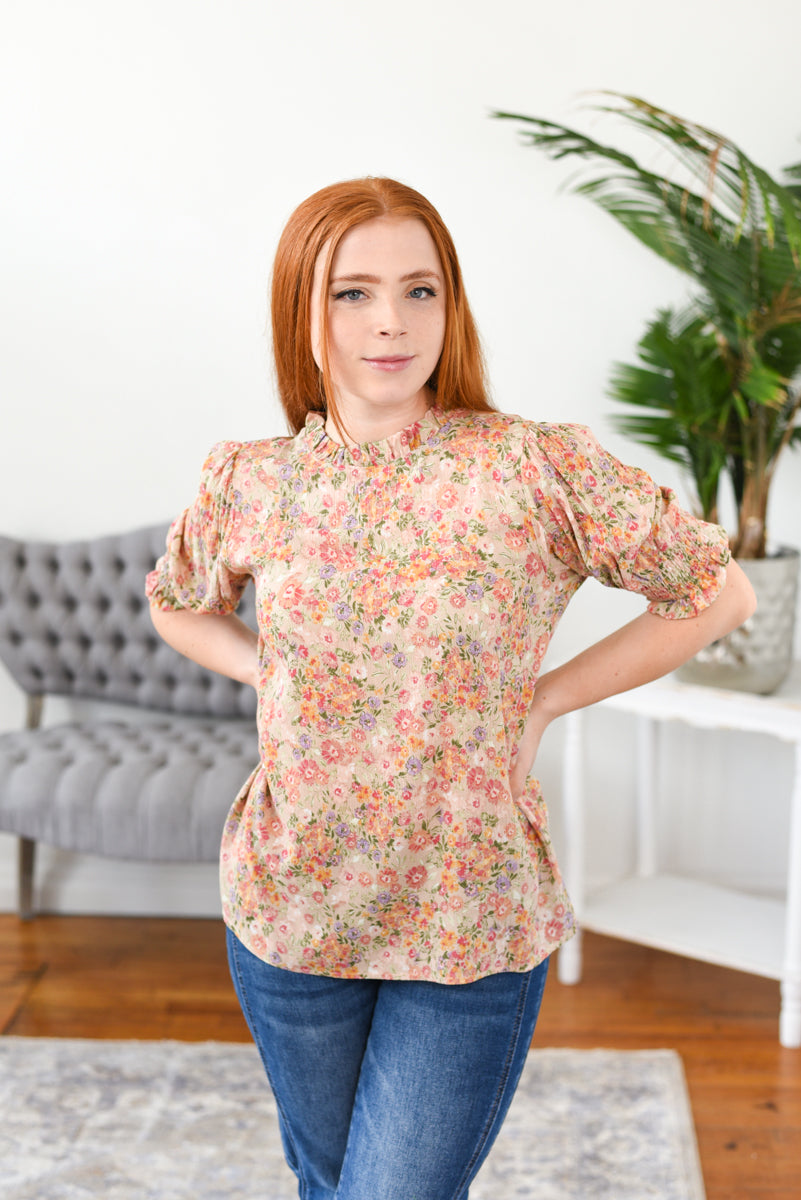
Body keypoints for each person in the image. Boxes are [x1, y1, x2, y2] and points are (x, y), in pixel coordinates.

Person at [145, 176, 756, 1200]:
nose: (391, 321)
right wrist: (270, 668)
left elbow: (716, 592)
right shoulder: (251, 478)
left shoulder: (531, 467)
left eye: (419, 290)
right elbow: (176, 601)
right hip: (293, 903)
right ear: (301, 308)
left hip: (468, 912)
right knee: (327, 1181)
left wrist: (545, 697)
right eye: (352, 292)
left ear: (450, 304)